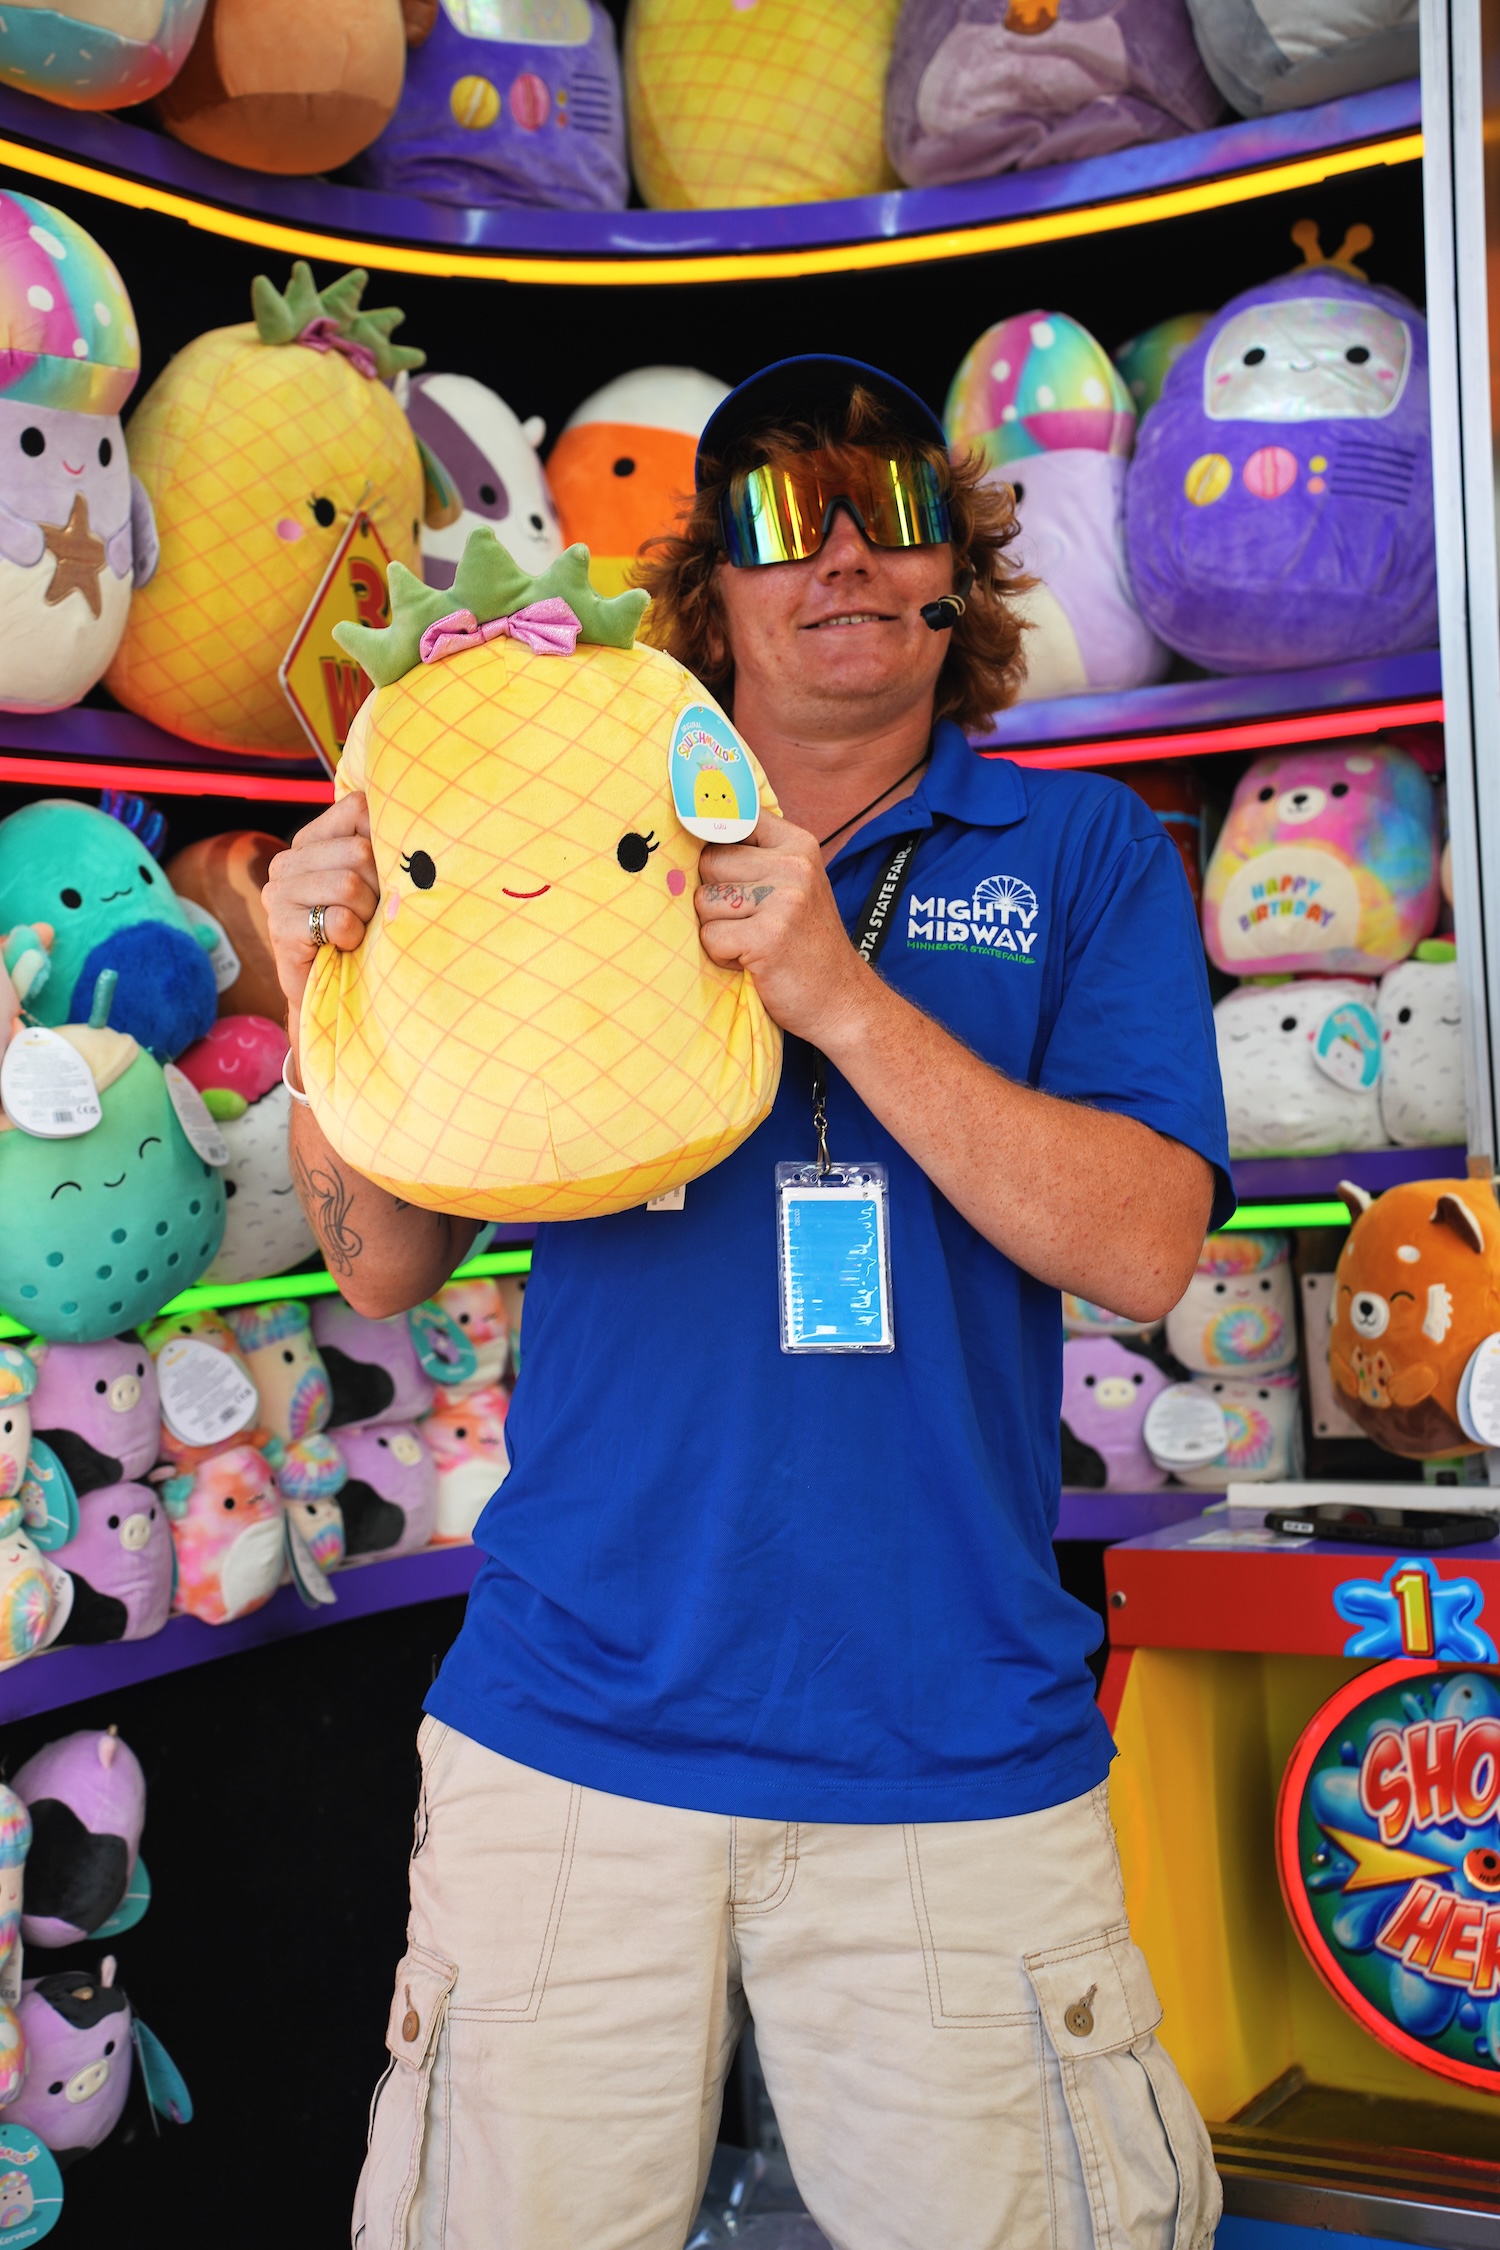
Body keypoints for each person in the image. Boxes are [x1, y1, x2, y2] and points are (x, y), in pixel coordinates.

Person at [266, 357, 1230, 2250]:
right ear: (716, 586)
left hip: (949, 1738)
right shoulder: (544, 835)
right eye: (788, 520)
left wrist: (839, 995)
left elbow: (1143, 1245)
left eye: (892, 510)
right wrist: (329, 995)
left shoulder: (1081, 850)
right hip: (568, 1734)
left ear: (964, 570)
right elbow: (381, 1263)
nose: (845, 555)